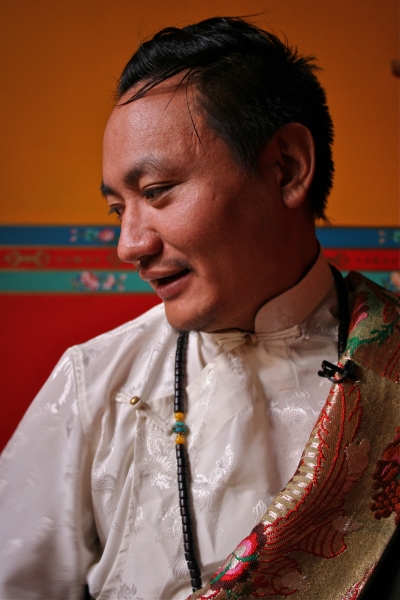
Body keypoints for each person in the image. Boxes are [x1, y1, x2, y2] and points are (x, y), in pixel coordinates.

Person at [0, 16, 399, 600]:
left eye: (156, 192)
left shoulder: (391, 358)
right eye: (118, 209)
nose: (129, 246)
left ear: (287, 167)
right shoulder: (94, 383)